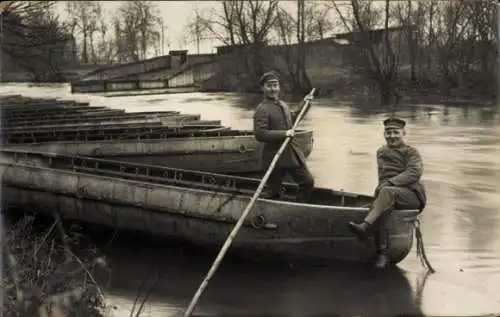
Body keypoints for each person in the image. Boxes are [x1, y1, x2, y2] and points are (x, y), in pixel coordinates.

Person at [347, 117, 427, 269]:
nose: (391, 136)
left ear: (404, 133)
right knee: (381, 207)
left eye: (395, 132)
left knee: (386, 193)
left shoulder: (411, 152)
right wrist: (381, 191)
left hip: (411, 195)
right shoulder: (381, 151)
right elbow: (382, 177)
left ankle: (365, 227)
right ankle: (382, 253)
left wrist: (390, 183)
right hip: (389, 193)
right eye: (388, 132)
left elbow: (414, 173)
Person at [253, 70, 314, 202]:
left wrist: (306, 104)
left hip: (291, 155)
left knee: (308, 182)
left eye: (275, 85)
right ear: (263, 88)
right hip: (274, 157)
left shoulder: (283, 105)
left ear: (279, 87)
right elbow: (260, 133)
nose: (273, 89)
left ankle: (299, 209)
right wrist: (284, 134)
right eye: (269, 86)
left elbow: (293, 118)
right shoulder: (262, 109)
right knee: (273, 193)